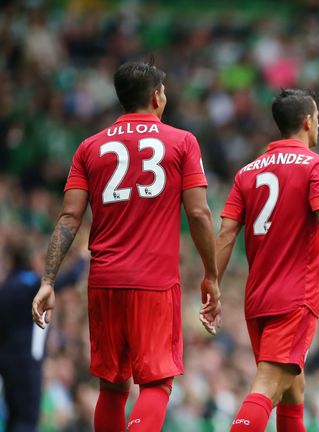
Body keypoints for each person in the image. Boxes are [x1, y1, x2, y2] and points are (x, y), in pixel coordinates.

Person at [30, 61, 221, 432]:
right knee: (157, 383)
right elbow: (198, 214)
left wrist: (48, 281)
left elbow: (69, 218)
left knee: (113, 388)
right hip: (154, 282)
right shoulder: (182, 142)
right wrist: (211, 274)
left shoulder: (89, 147)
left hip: (103, 280)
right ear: (155, 96)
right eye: (163, 91)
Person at [215, 88, 319, 432]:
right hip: (294, 297)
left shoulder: (247, 172)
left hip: (257, 299)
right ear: (308, 121)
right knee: (268, 384)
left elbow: (225, 235)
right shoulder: (317, 165)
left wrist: (213, 283)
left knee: (292, 390)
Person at [0, 240, 85, 432]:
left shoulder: (5, 288)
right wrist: (81, 259)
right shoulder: (27, 284)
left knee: (14, 417)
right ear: (30, 261)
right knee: (27, 419)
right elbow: (65, 279)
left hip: (7, 364)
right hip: (25, 365)